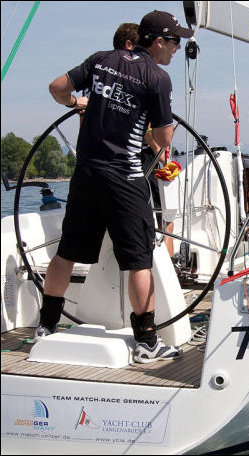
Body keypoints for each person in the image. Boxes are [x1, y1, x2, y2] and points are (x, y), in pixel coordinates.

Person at [38, 10, 194, 364]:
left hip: (86, 173)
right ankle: (147, 343)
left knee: (67, 251)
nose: (176, 48)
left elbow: (57, 88)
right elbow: (164, 138)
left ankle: (46, 327)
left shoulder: (100, 60)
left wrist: (77, 102)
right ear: (158, 42)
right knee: (139, 260)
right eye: (174, 42)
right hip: (125, 177)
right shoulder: (158, 78)